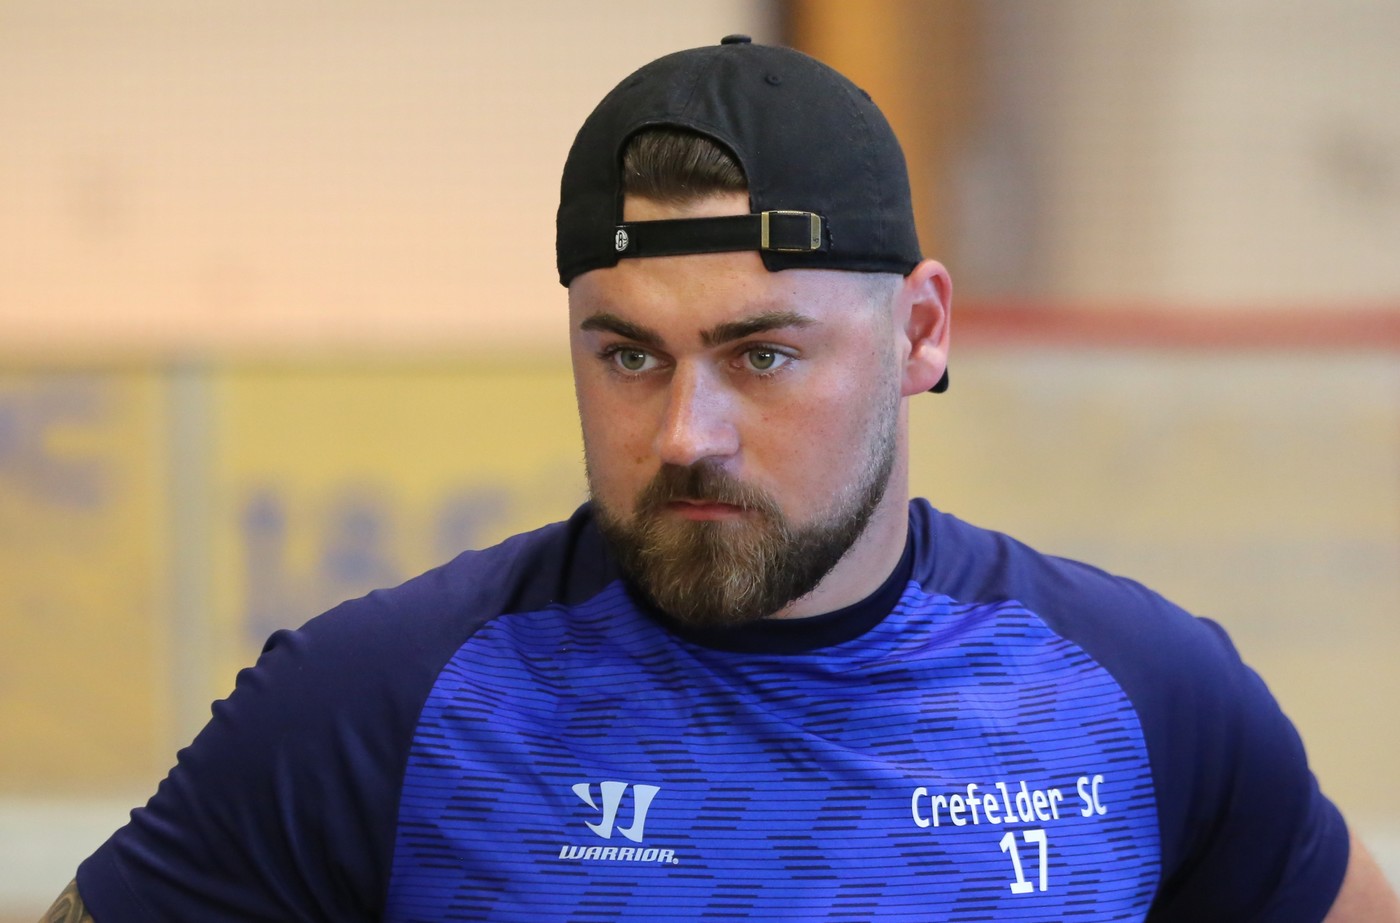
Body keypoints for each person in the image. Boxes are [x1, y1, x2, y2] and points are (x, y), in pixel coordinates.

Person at [43, 36, 1398, 923]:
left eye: (763, 355)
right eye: (628, 356)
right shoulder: (380, 708)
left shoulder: (1141, 699)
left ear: (921, 332)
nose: (688, 432)